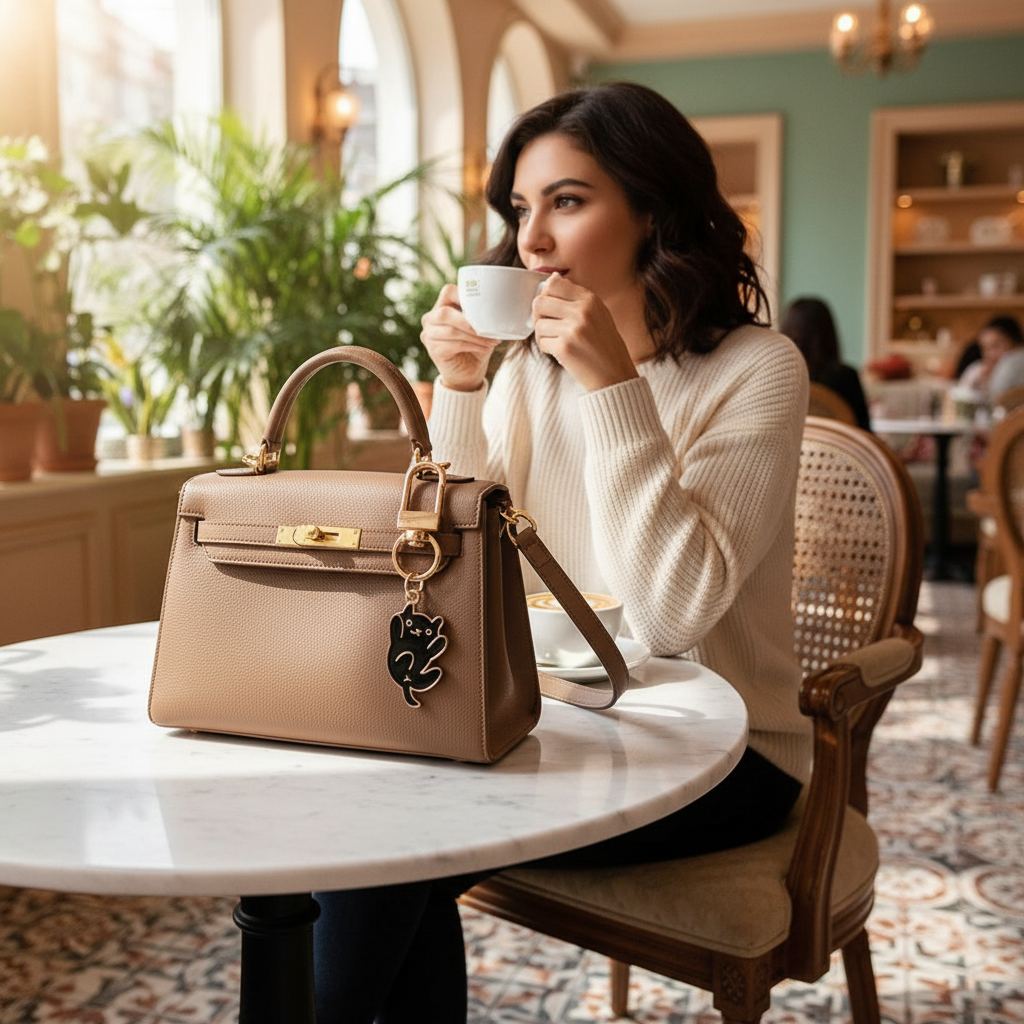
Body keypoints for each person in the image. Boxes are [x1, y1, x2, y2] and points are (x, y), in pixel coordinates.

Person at [313, 81, 811, 1024]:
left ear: (652, 211)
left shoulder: (757, 369)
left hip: (725, 753)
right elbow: (449, 559)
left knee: (398, 839)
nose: (530, 239)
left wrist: (612, 384)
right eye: (519, 208)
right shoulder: (525, 370)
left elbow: (670, 619)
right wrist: (458, 384)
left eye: (567, 201)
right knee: (382, 828)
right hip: (553, 717)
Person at [779, 296, 871, 431]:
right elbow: (864, 432)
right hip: (840, 450)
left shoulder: (780, 378)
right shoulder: (846, 377)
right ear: (829, 334)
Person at [978, 315, 1024, 403]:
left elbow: (994, 402)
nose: (990, 355)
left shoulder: (1013, 360)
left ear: (1017, 343)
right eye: (985, 348)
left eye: (997, 346)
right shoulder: (979, 368)